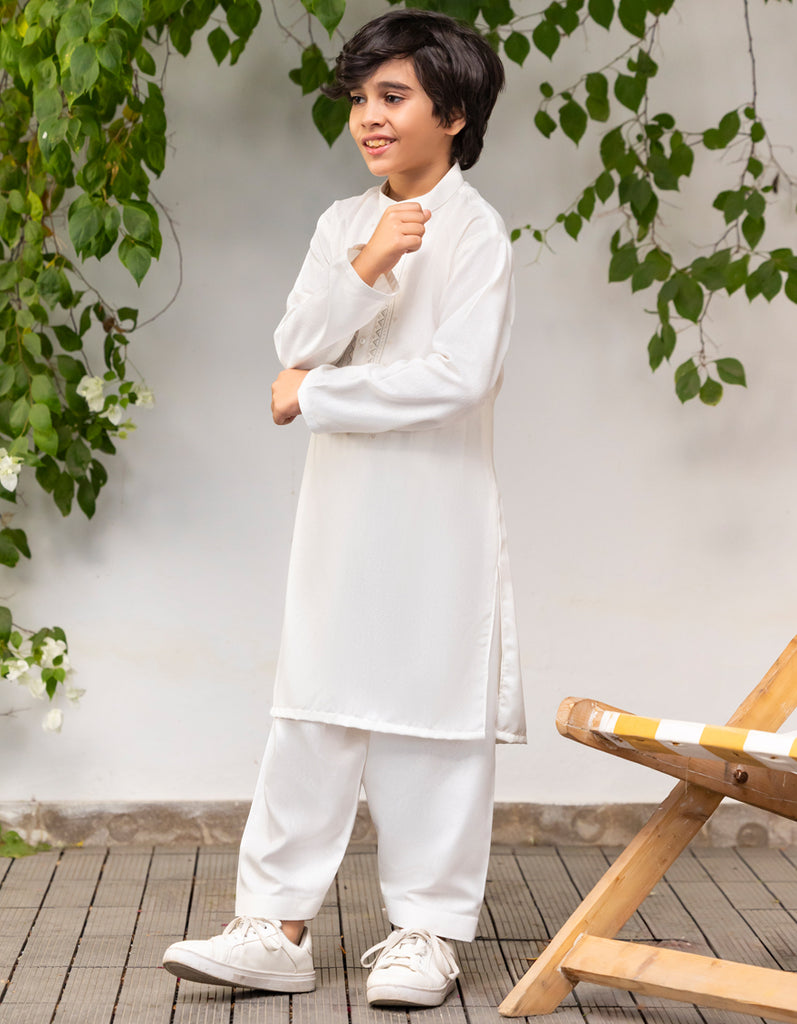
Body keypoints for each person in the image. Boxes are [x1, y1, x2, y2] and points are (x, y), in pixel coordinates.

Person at [163, 8, 526, 1009]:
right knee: (312, 713)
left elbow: (457, 377)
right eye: (361, 98)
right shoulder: (340, 223)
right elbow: (296, 341)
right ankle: (273, 928)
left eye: (392, 96)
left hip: (437, 517)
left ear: (453, 112)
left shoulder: (476, 233)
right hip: (341, 514)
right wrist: (366, 264)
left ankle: (424, 934)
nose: (369, 116)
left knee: (430, 721)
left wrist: (314, 396)